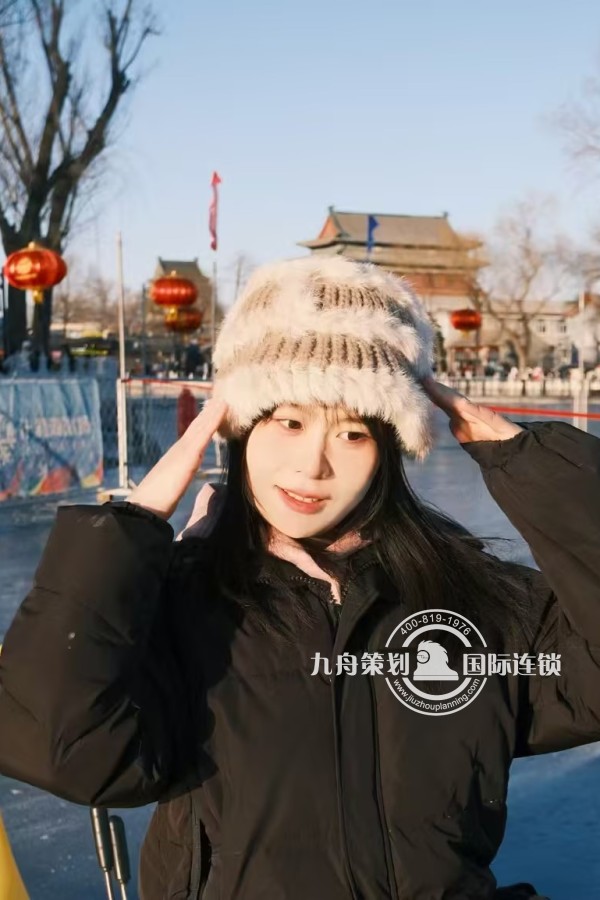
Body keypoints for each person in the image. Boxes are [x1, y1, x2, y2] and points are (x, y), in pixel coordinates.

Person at [0, 256, 599, 900]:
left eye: (353, 433)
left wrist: (537, 467)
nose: (313, 464)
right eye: (289, 421)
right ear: (239, 426)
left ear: (389, 450)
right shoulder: (181, 601)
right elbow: (63, 745)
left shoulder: (467, 597)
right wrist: (130, 527)